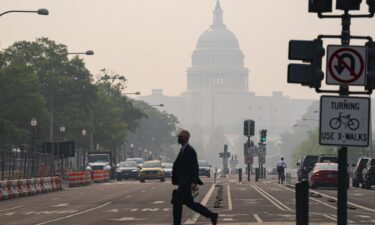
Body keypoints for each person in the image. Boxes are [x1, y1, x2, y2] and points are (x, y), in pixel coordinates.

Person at [172, 130, 218, 225]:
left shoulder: (190, 150)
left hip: (186, 182)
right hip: (183, 181)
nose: (179, 139)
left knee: (177, 203)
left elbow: (194, 167)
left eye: (180, 137)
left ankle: (176, 223)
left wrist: (193, 181)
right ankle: (212, 215)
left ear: (186, 138)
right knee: (190, 203)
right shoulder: (183, 149)